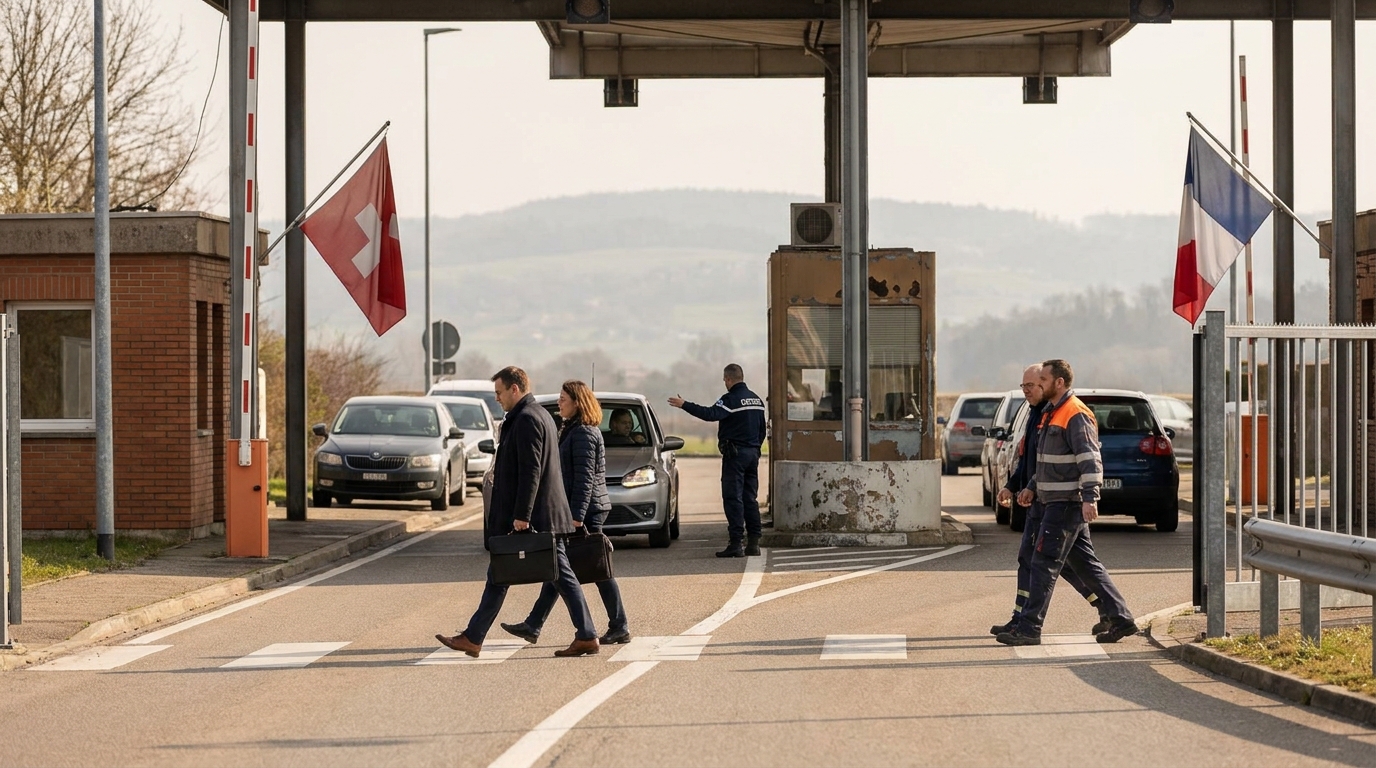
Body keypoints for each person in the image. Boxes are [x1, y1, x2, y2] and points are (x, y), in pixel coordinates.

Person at [435, 366, 601, 658]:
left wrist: (522, 515)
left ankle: (586, 635)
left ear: (515, 389)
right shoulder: (536, 415)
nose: (496, 398)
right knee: (511, 575)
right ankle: (474, 637)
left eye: (499, 393)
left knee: (531, 574)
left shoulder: (527, 419)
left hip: (536, 516)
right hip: (543, 514)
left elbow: (531, 470)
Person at [995, 359, 1138, 647]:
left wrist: (1090, 498)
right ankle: (1120, 618)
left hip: (1066, 503)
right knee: (1085, 564)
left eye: (1043, 379)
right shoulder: (1051, 413)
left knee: (1044, 563)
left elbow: (1089, 459)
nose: (1039, 384)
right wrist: (1031, 487)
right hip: (1049, 501)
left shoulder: (1075, 414)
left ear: (1059, 382)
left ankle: (1029, 628)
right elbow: (1046, 461)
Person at [501, 380, 632, 646]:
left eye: (563, 399)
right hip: (580, 508)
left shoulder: (584, 433)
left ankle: (618, 625)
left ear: (577, 402)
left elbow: (584, 479)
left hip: (586, 509)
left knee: (593, 569)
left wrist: (577, 516)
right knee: (562, 567)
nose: (559, 403)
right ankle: (534, 624)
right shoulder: (572, 429)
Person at [668, 363, 767, 558]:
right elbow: (761, 430)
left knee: (733, 498)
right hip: (753, 454)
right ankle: (754, 543)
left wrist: (685, 405)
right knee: (750, 498)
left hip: (735, 455)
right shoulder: (756, 400)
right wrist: (754, 448)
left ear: (729, 379)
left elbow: (710, 414)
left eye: (725, 380)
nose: (725, 384)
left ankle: (736, 543)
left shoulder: (730, 400)